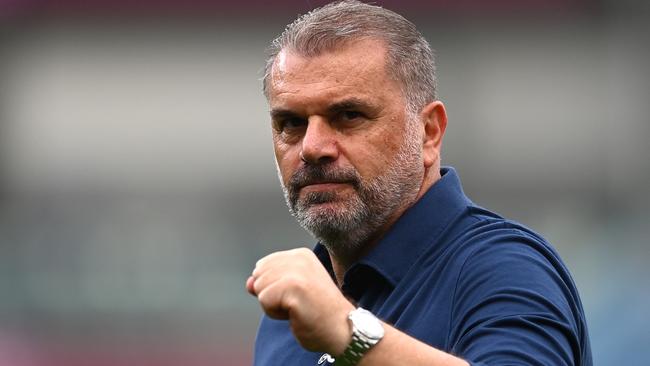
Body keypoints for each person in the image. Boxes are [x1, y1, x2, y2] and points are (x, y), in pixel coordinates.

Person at [245, 1, 592, 365]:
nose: (312, 148)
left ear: (429, 132)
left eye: (349, 116)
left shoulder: (503, 268)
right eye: (291, 123)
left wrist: (348, 334)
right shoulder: (289, 317)